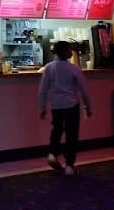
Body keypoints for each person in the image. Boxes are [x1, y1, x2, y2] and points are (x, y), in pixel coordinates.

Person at [38, 41, 92, 175]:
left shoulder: (49, 68)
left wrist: (42, 107)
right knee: (72, 134)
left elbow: (43, 90)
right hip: (71, 105)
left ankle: (52, 153)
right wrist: (88, 106)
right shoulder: (74, 69)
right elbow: (83, 90)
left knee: (56, 130)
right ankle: (69, 165)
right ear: (65, 52)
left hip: (56, 105)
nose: (71, 52)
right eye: (69, 49)